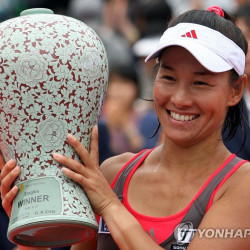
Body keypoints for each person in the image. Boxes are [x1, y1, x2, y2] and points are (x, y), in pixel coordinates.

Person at [1, 5, 250, 250]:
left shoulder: (241, 186)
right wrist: (31, 230)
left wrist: (110, 207)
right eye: (168, 78)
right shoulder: (113, 174)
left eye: (200, 82)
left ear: (236, 90)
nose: (180, 99)